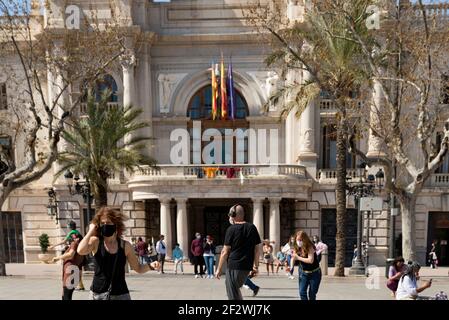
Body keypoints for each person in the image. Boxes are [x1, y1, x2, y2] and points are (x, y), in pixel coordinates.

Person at [77, 207, 160, 300]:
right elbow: (80, 250)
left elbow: (138, 268)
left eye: (108, 223)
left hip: (120, 294)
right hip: (97, 294)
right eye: (102, 223)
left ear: (115, 224)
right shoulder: (96, 241)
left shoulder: (125, 246)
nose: (105, 225)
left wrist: (151, 265)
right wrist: (90, 231)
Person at [215, 204, 261, 300]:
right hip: (246, 266)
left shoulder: (231, 229)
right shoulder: (252, 227)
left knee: (232, 293)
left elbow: (225, 251)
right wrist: (255, 266)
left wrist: (218, 269)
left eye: (230, 214)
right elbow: (257, 249)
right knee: (235, 292)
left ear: (233, 214)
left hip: (233, 266)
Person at [49, 220, 85, 290]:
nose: (67, 226)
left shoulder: (72, 233)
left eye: (68, 225)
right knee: (79, 268)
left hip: (75, 254)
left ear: (70, 226)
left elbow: (64, 241)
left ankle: (75, 285)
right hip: (80, 253)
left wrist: (53, 246)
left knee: (73, 268)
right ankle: (81, 285)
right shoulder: (78, 232)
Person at [52, 233, 85, 300]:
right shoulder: (81, 247)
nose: (70, 238)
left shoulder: (75, 244)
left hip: (70, 272)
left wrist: (57, 258)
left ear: (77, 238)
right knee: (67, 295)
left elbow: (70, 254)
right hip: (74, 272)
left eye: (73, 237)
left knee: (66, 296)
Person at [291, 230, 322, 300]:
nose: (298, 241)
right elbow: (293, 258)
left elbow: (310, 260)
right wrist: (291, 267)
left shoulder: (310, 247)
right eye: (297, 240)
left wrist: (298, 257)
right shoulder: (296, 247)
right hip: (303, 273)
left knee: (312, 294)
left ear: (304, 239)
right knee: (302, 292)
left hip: (315, 273)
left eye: (300, 240)